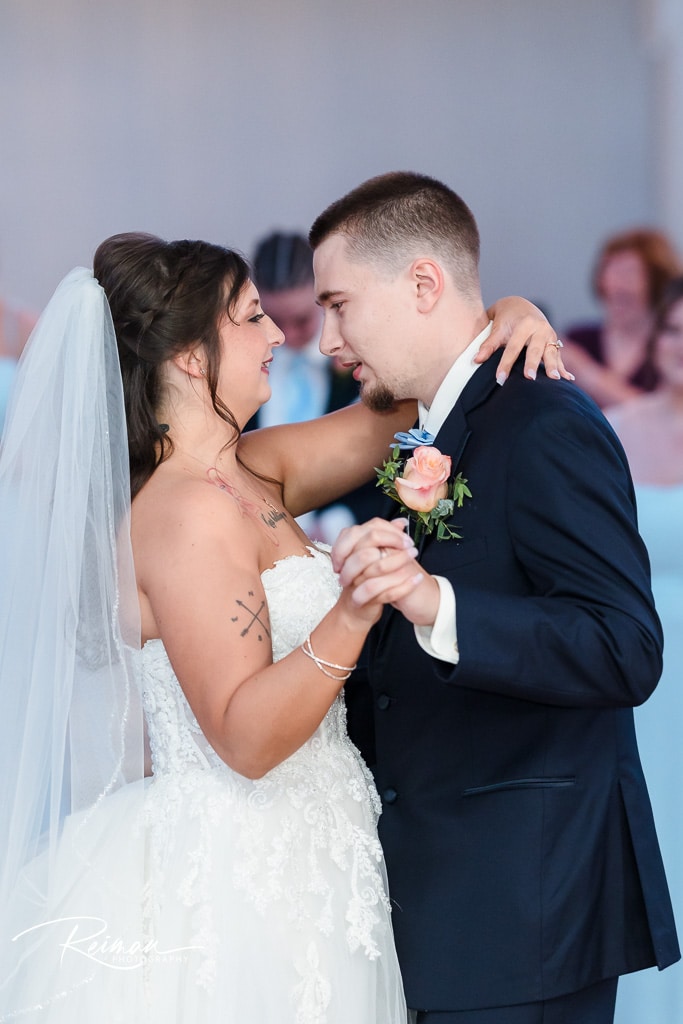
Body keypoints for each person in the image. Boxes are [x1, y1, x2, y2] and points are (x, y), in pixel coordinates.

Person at [0, 231, 563, 1023]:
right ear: (192, 358)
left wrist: (503, 316)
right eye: (252, 317)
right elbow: (244, 738)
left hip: (323, 843)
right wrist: (355, 604)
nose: (279, 336)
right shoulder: (181, 514)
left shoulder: (250, 468)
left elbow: (419, 401)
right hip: (239, 873)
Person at [307, 171, 681, 1024]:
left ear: (423, 283)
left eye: (339, 304)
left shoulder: (544, 422)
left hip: (525, 910)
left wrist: (434, 604)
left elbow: (623, 644)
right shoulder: (430, 428)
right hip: (447, 904)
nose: (327, 339)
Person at [606, 278, 683, 1023]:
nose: (678, 347)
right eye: (671, 332)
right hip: (644, 655)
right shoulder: (615, 429)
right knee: (655, 820)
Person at [247, 230, 382, 539]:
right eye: (275, 320)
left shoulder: (364, 360)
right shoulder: (246, 366)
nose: (288, 337)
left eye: (302, 320)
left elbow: (389, 454)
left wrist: (338, 521)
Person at [563, 227, 681, 408]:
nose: (615, 283)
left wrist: (585, 372)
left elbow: (668, 414)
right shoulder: (579, 339)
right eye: (609, 269)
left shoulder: (670, 348)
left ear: (657, 281)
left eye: (629, 272)